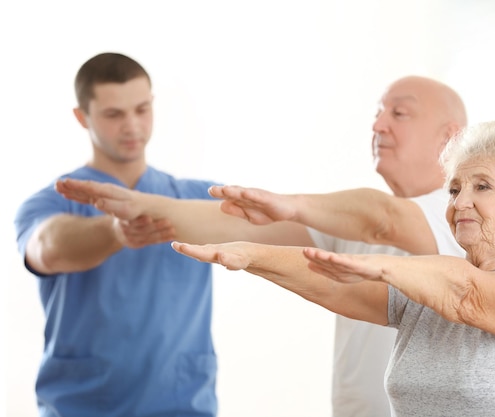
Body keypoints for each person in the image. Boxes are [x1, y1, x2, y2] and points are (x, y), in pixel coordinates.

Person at [53, 75, 468, 416]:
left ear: (451, 137)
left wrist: (295, 205)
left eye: (399, 113)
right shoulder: (350, 224)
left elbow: (381, 219)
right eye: (378, 113)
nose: (378, 125)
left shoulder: (462, 216)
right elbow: (233, 225)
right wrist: (141, 204)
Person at [171, 121, 495, 417]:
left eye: (482, 186)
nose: (460, 202)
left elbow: (466, 294)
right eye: (454, 189)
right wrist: (251, 255)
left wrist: (374, 265)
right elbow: (335, 288)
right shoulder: (423, 296)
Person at [14, 52, 224, 416]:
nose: (132, 126)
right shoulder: (53, 201)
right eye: (114, 114)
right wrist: (114, 232)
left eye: (142, 109)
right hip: (83, 406)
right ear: (83, 117)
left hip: (181, 403)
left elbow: (286, 228)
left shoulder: (195, 198)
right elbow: (47, 247)